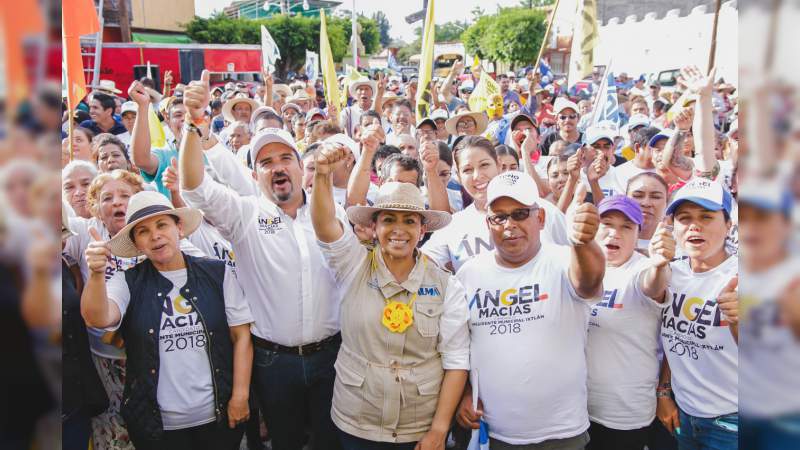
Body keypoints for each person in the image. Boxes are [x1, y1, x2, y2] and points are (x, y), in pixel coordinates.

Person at [179, 70, 345, 450]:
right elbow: (192, 184)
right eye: (267, 162)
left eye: (286, 157)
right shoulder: (244, 215)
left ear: (302, 169)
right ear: (255, 175)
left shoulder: (333, 214)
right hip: (274, 365)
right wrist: (194, 124)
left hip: (332, 358)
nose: (278, 166)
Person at [310, 141, 468, 448]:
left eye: (409, 221)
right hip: (357, 423)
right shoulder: (352, 264)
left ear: (423, 229)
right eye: (388, 219)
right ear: (373, 227)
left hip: (418, 429)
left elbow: (456, 360)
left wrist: (438, 429)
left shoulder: (447, 285)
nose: (399, 230)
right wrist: (321, 176)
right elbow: (324, 225)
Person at [81, 191, 254, 449]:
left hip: (217, 417)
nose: (155, 235)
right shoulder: (128, 281)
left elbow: (241, 336)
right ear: (137, 244)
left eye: (162, 224)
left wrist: (240, 396)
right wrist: (96, 274)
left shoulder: (217, 273)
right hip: (156, 426)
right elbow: (97, 317)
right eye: (143, 231)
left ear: (179, 228)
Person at [455, 171, 605, 449]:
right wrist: (465, 392)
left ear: (541, 218)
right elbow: (461, 344)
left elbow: (588, 282)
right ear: (488, 223)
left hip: (561, 433)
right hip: (495, 432)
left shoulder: (564, 260)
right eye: (499, 216)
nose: (509, 224)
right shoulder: (469, 273)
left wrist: (583, 242)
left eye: (520, 213)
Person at [586, 196, 675, 450]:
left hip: (624, 414)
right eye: (607, 223)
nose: (615, 233)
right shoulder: (582, 268)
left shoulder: (642, 268)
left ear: (639, 234)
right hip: (578, 409)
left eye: (626, 226)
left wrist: (659, 264)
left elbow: (653, 285)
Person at [656, 178, 739, 450]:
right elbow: (676, 339)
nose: (695, 225)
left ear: (729, 225)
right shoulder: (670, 273)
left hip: (732, 422)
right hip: (684, 414)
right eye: (684, 217)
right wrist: (664, 392)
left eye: (706, 216)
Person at [422, 136, 569, 273]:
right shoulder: (454, 226)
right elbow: (419, 264)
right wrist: (430, 170)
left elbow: (575, 262)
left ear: (498, 165)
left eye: (484, 165)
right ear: (459, 177)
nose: (477, 176)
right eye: (467, 170)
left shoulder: (541, 209)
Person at [736, 180, 800, 448]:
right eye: (744, 218)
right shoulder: (736, 272)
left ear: (786, 225)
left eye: (762, 218)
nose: (751, 227)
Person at [626, 172, 669, 254]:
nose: (646, 203)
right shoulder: (607, 240)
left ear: (667, 202)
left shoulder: (681, 245)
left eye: (656, 197)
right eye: (638, 195)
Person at [615, 126, 659, 190]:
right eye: (655, 148)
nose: (660, 153)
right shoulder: (618, 173)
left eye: (663, 148)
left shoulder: (669, 174)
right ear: (637, 148)